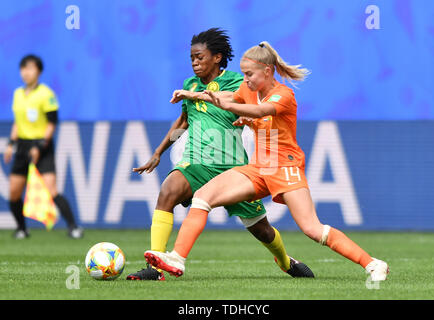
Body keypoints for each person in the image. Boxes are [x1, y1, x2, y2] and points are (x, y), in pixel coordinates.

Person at [145, 41, 389, 282]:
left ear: (267, 71)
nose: (246, 79)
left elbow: (260, 111)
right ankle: (177, 258)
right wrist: (195, 95)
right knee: (202, 197)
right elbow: (228, 96)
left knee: (312, 228)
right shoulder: (249, 90)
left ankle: (372, 264)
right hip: (259, 168)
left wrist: (238, 111)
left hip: (285, 167)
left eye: (249, 74)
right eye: (243, 74)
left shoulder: (284, 95)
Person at [126, 29, 313, 280]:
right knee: (167, 191)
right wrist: (158, 152)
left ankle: (285, 261)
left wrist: (248, 118)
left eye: (200, 57)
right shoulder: (189, 85)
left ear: (217, 57)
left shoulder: (239, 82)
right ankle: (155, 267)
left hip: (231, 169)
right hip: (196, 164)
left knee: (263, 231)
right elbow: (183, 123)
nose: (194, 62)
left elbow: (261, 110)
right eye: (191, 57)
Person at [3, 54, 83, 239]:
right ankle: (22, 229)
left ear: (38, 71)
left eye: (30, 68)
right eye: (23, 68)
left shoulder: (46, 94)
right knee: (14, 193)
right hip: (22, 146)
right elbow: (17, 122)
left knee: (52, 190)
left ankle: (73, 227)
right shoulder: (18, 94)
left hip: (42, 145)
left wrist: (39, 146)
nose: (26, 72)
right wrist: (11, 143)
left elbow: (51, 123)